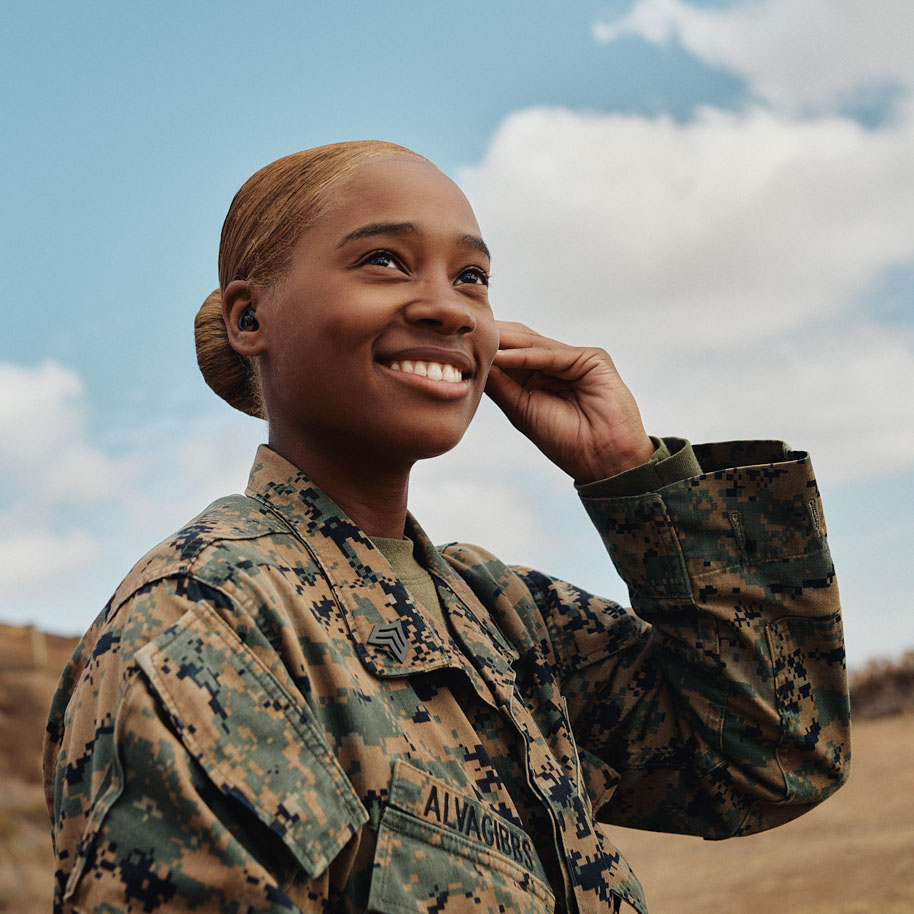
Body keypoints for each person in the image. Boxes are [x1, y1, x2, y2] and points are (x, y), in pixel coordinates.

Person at [44, 140, 850, 914]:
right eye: (383, 260)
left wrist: (633, 474)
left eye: (472, 277)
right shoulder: (207, 621)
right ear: (250, 316)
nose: (446, 307)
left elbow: (770, 759)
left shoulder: (501, 615)